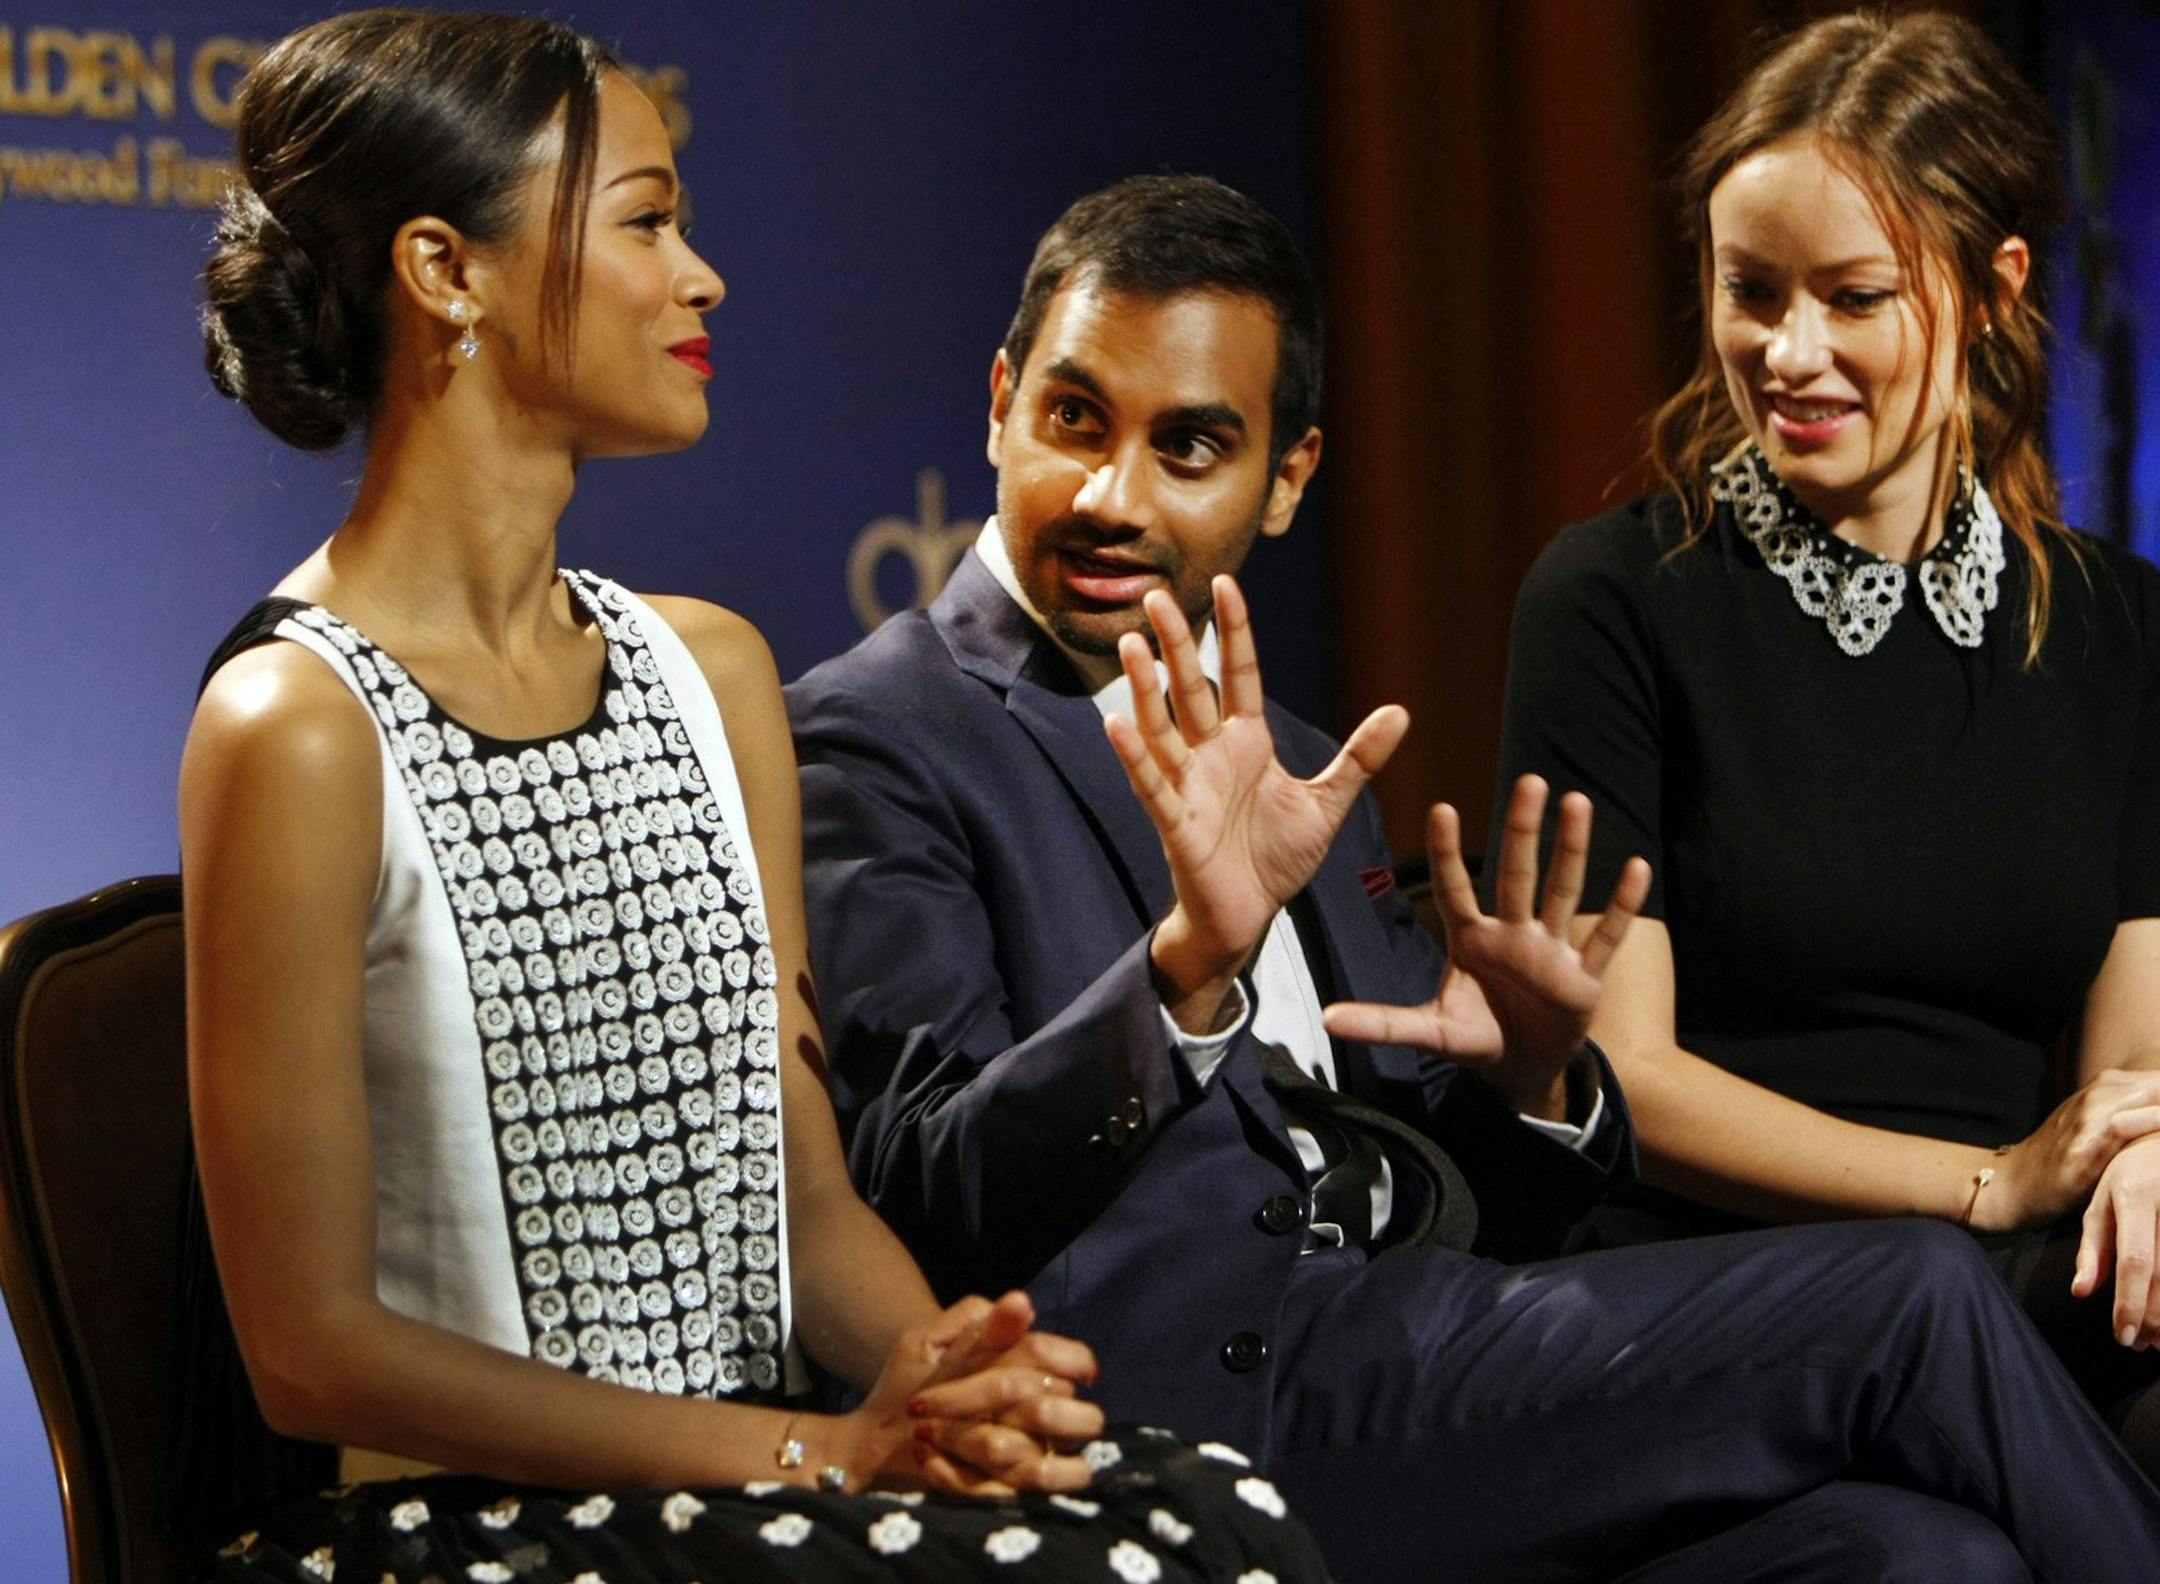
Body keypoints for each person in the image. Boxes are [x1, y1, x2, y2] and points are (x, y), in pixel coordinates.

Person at [787, 170, 2160, 1582]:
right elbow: (918, 1187)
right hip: (1190, 1404)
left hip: (1425, 1365)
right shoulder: (879, 731)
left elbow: (1459, 1194)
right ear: (1002, 398)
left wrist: (1537, 1081)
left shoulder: (1305, 763)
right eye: (1075, 419)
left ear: (1287, 479)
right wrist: (1187, 967)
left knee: (1918, 1558)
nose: (1110, 494)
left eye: (1190, 447)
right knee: (1913, 1296)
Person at [180, 12, 1335, 1582]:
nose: (702, 275)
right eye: (646, 222)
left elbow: (804, 1209)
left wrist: (954, 1382)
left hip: (765, 1477)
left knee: (1199, 1518)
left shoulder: (711, 672)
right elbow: (310, 1353)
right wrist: (815, 1452)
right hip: (464, 1526)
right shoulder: (297, 724)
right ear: (446, 270)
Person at [1486, 8, 2160, 1478]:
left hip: (2021, 1275)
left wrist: (2145, 1158)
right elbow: (1628, 1081)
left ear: (1994, 293)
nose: (1789, 354)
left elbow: (2134, 1064)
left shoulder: (2117, 628)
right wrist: (1984, 1185)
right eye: (1751, 293)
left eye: (1853, 298)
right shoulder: (1614, 601)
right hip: (1713, 1282)